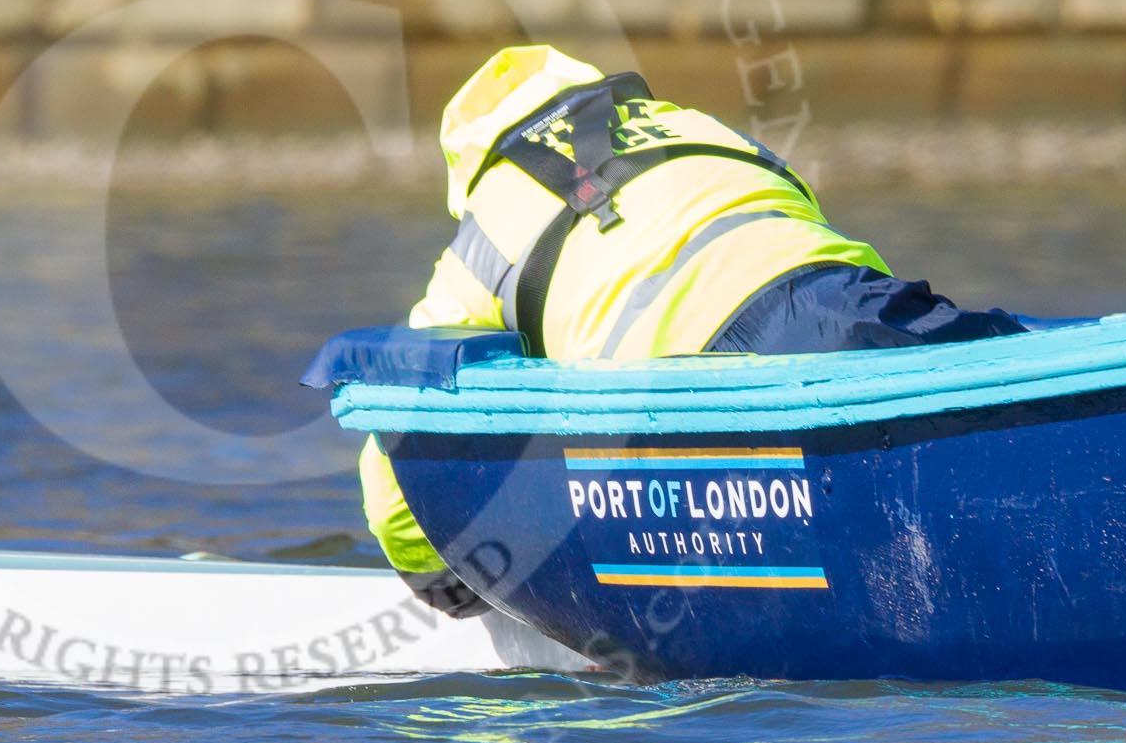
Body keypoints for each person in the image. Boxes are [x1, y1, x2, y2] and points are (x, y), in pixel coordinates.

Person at [366, 45, 1025, 617]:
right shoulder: (689, 123)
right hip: (854, 298)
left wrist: (450, 587)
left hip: (710, 393)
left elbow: (398, 438)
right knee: (1017, 394)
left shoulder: (478, 239)